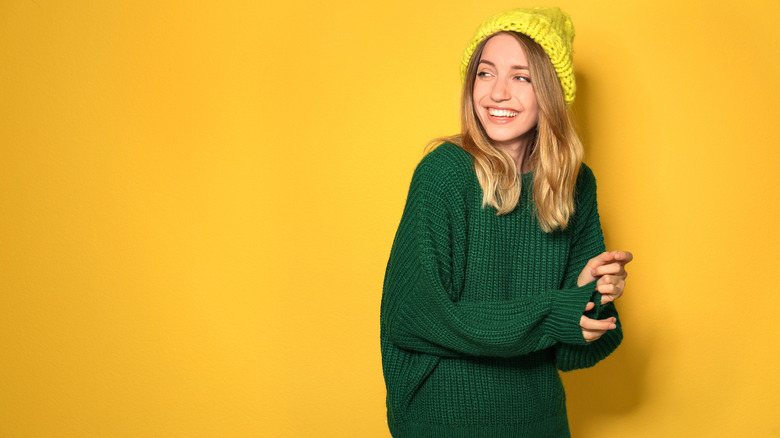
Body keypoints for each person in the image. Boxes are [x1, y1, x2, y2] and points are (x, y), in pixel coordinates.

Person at [380, 7, 633, 437]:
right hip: (442, 422)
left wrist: (593, 296)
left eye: (521, 77)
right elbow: (414, 315)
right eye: (485, 73)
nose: (497, 93)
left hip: (540, 421)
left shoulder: (575, 184)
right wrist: (557, 309)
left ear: (550, 90)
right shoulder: (444, 174)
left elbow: (577, 351)